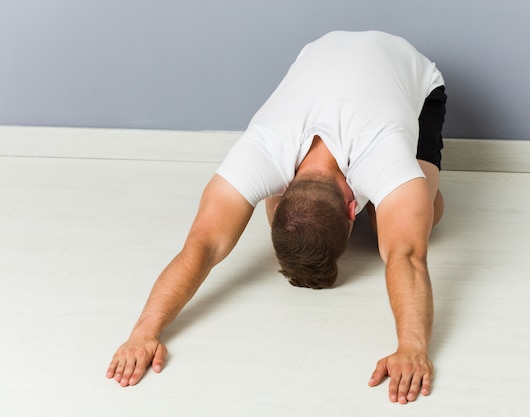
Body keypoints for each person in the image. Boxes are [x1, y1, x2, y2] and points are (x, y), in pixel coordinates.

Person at [106, 30, 447, 405]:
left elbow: (408, 257)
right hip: (321, 52)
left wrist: (411, 347)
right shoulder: (264, 147)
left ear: (352, 213)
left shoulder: (383, 150)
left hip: (409, 74)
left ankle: (388, 200)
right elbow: (201, 246)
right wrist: (143, 332)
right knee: (381, 213)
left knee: (410, 221)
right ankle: (384, 197)